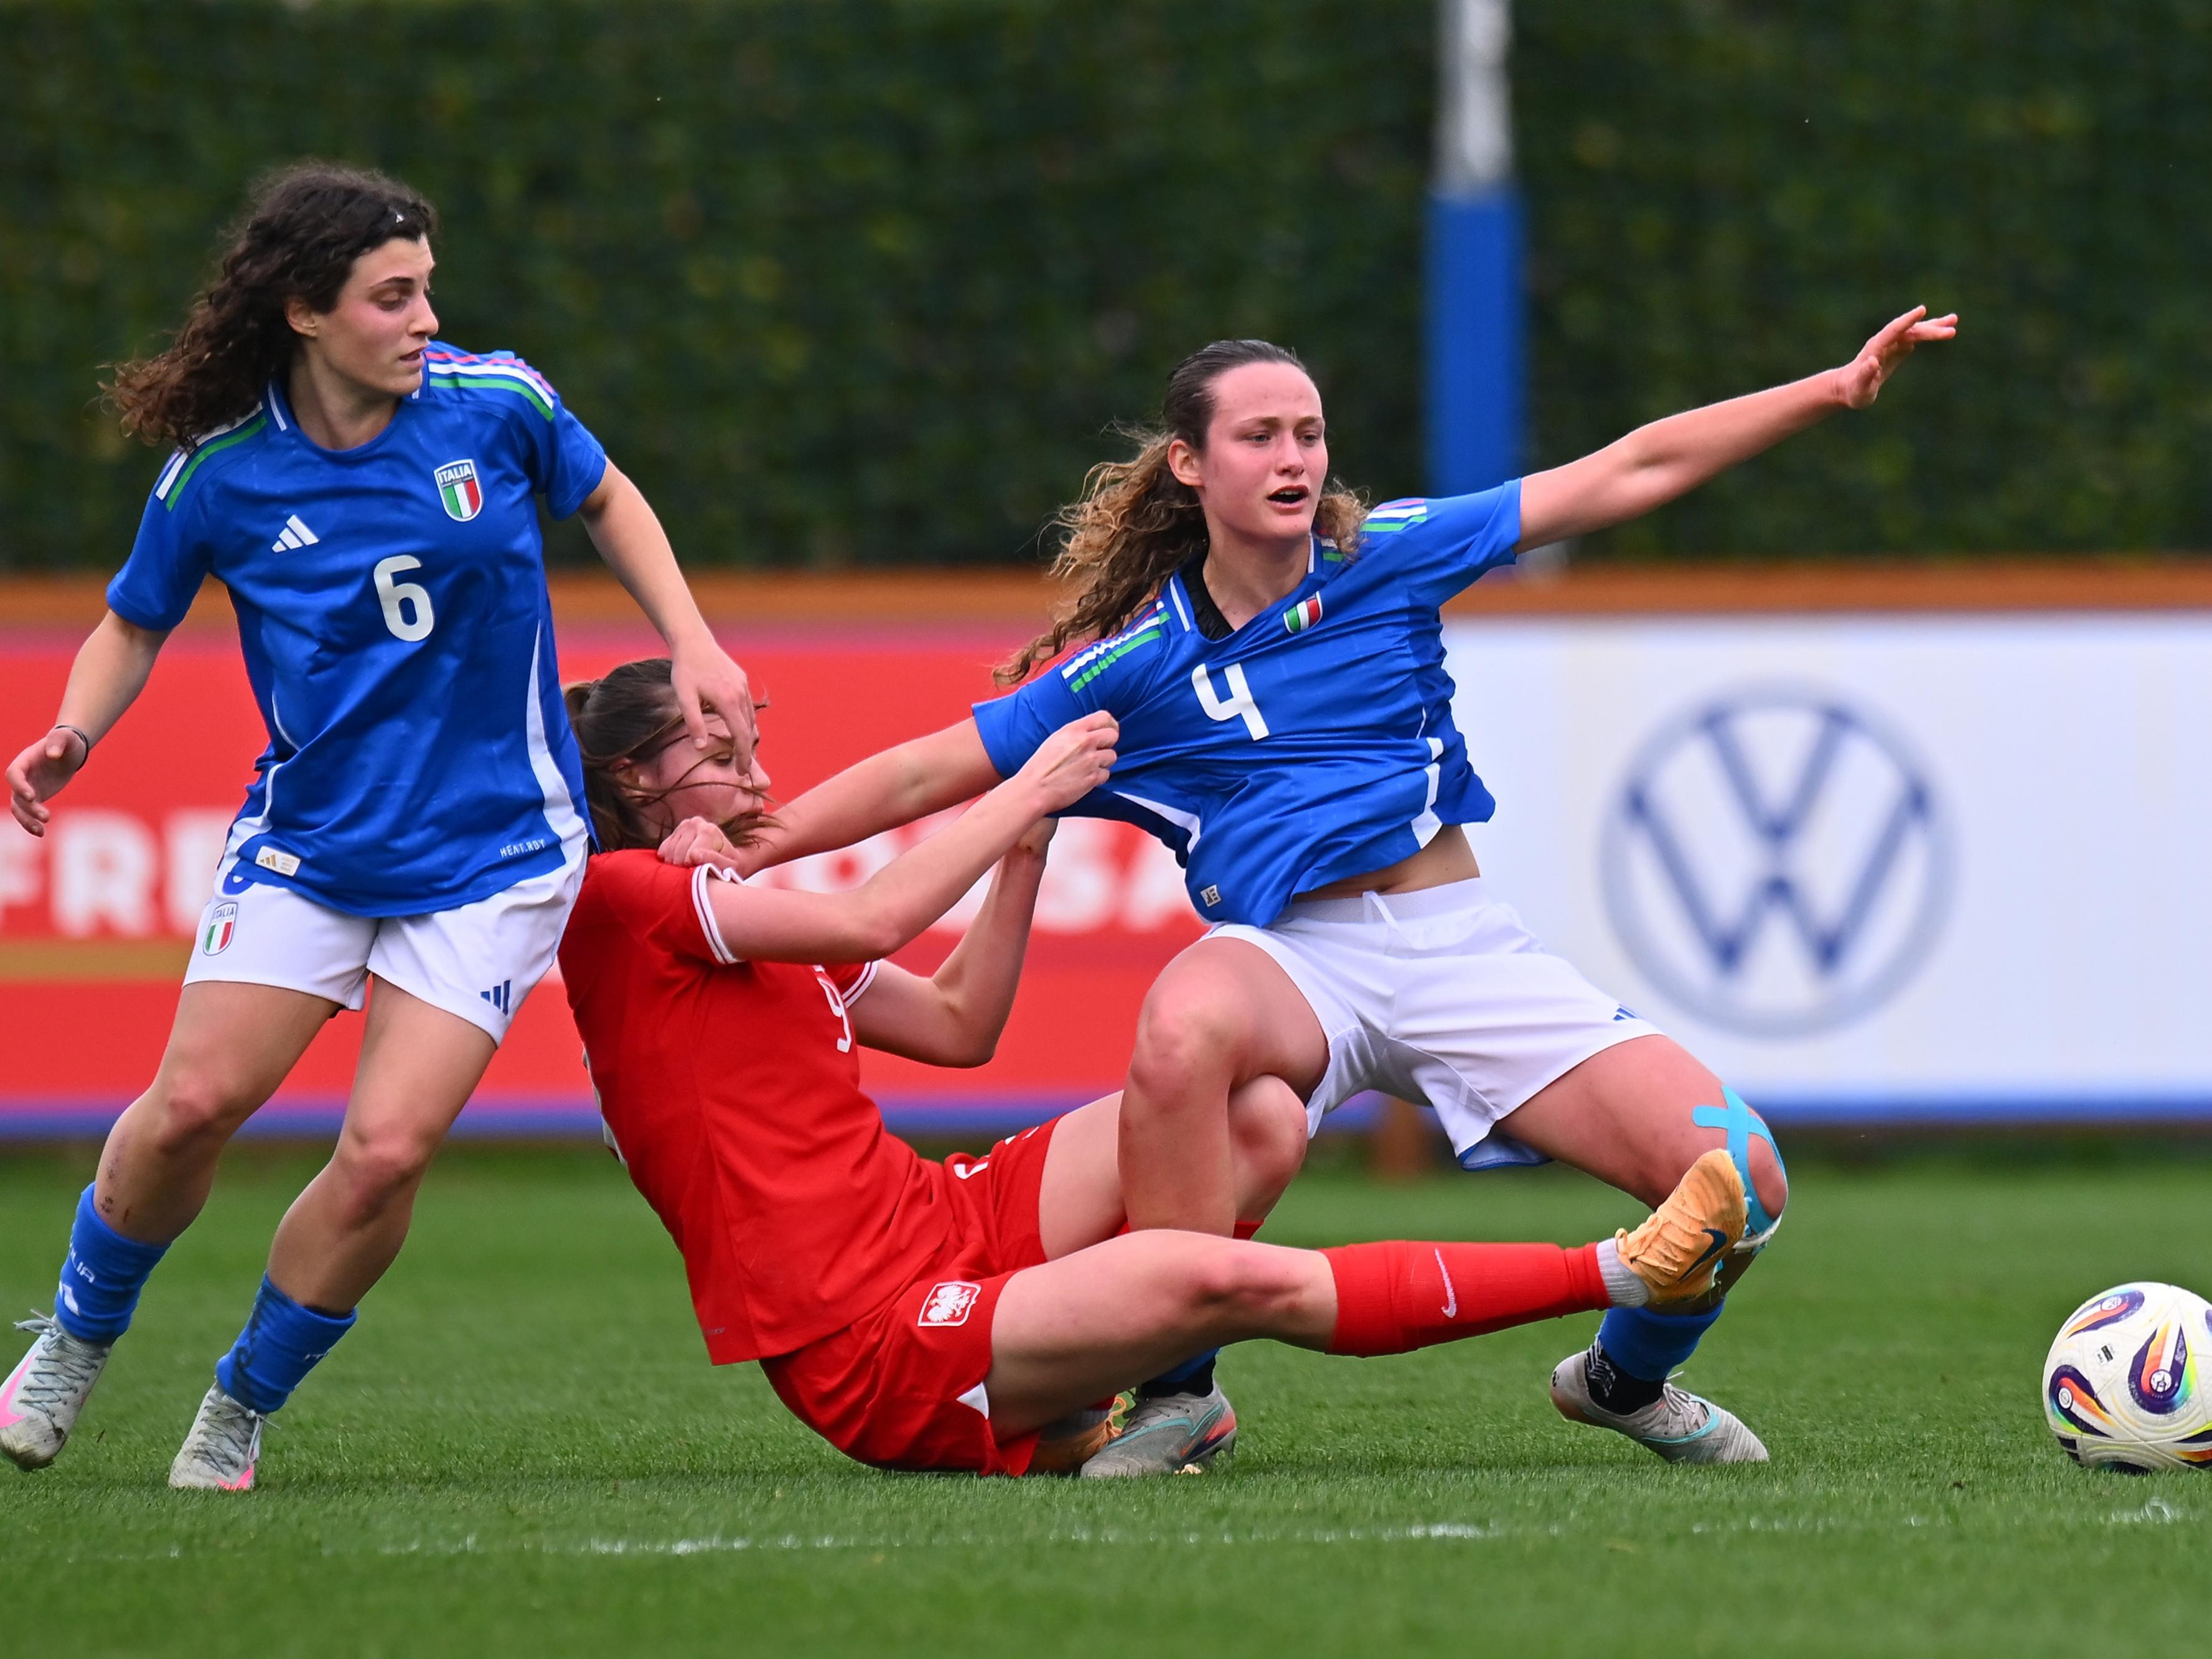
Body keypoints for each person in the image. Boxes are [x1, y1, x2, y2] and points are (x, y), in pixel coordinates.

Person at [723, 309, 1956, 1472]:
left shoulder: (1391, 554)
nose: (1293, 454)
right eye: (1258, 434)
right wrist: (745, 846)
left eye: (1307, 431)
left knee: (1743, 1184)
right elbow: (926, 769)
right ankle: (1181, 1388)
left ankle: (1622, 1383)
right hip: (1296, 960)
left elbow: (1624, 469)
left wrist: (1832, 390)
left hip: (1458, 945)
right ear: (1189, 466)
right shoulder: (1136, 664)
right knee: (1182, 1022)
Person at [0, 163, 755, 1490]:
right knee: (191, 1108)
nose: (424, 318)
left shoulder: (497, 405)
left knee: (390, 1149)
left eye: (428, 289)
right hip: (314, 845)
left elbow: (608, 496)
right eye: (391, 295)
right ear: (304, 309)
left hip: (499, 852)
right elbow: (135, 618)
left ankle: (237, 1406)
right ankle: (72, 1337)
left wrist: (688, 639)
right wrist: (76, 727)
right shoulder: (222, 475)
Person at [556, 658, 1748, 1477]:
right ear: (633, 780)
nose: (760, 785)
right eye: (722, 755)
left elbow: (962, 1023)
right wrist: (1024, 781)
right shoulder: (624, 900)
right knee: (1226, 1276)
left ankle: (1130, 1392)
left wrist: (1024, 842)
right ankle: (1614, 1272)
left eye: (755, 749)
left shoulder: (728, 911)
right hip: (871, 1336)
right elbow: (874, 919)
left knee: (1263, 1118)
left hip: (936, 1220)